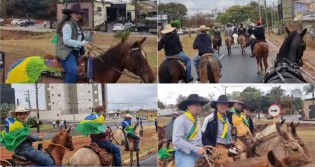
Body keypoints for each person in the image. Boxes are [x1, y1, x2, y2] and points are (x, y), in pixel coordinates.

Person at [56, 3, 92, 83]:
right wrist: (82, 43)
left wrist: (87, 43)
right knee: (73, 71)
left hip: (75, 52)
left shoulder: (77, 25)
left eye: (79, 13)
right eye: (76, 13)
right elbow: (67, 41)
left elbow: (80, 38)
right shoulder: (67, 25)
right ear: (71, 14)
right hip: (66, 52)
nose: (78, 15)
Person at [173, 94, 209, 167]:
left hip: (199, 151)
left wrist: (202, 147)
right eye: (195, 105)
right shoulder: (180, 120)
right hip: (184, 153)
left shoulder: (197, 120)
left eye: (200, 105)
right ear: (188, 106)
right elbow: (176, 140)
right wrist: (196, 149)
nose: (199, 108)